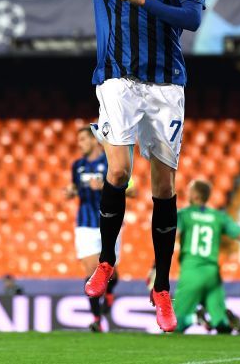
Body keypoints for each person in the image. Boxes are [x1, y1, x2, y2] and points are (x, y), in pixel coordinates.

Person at [33, 0, 205, 332]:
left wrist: (141, 0)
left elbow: (192, 19)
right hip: (116, 80)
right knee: (117, 172)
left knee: (164, 186)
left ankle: (161, 286)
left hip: (165, 84)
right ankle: (107, 262)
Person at [173, 179, 240, 334]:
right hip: (212, 273)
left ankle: (194, 318)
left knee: (174, 324)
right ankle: (214, 320)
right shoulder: (219, 217)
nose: (187, 192)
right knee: (222, 324)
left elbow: (171, 235)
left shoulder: (184, 215)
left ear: (195, 195)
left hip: (192, 270)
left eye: (190, 190)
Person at [65, 126, 136, 332]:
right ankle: (97, 319)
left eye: (83, 139)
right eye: (78, 140)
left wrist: (105, 187)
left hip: (109, 223)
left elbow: (132, 190)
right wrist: (72, 191)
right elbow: (76, 187)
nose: (79, 144)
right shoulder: (77, 165)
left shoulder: (111, 162)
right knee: (90, 271)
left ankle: (110, 294)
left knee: (111, 272)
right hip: (85, 224)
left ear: (94, 140)